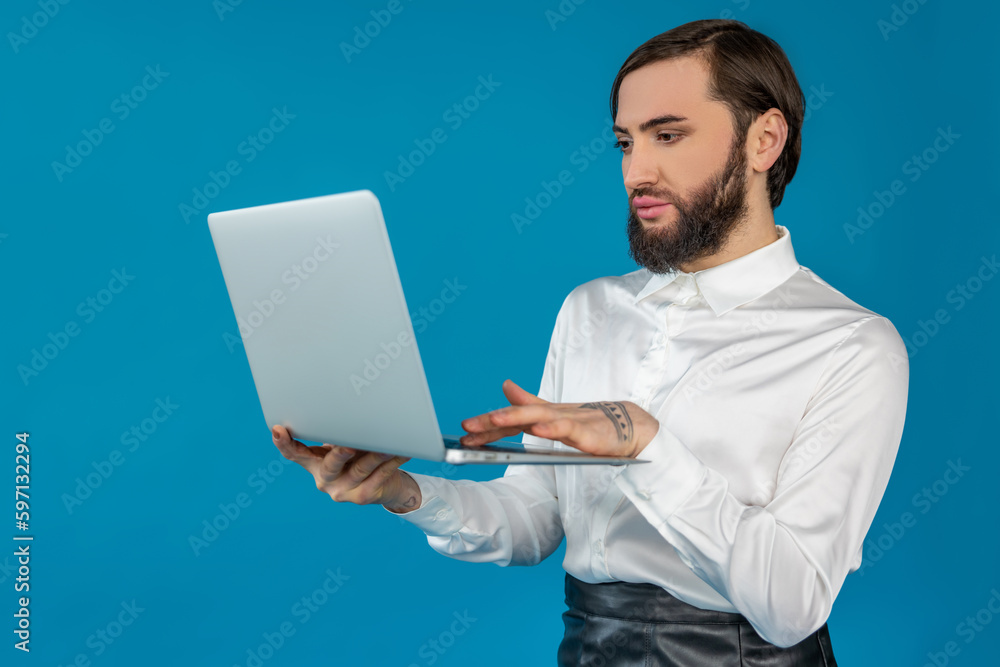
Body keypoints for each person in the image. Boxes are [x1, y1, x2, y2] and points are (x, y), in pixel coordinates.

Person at [272, 18, 908, 666]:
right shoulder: (592, 310)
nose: (638, 172)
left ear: (764, 139)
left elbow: (791, 602)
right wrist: (402, 491)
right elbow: (531, 520)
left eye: (668, 135)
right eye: (625, 143)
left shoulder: (851, 347)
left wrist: (646, 443)